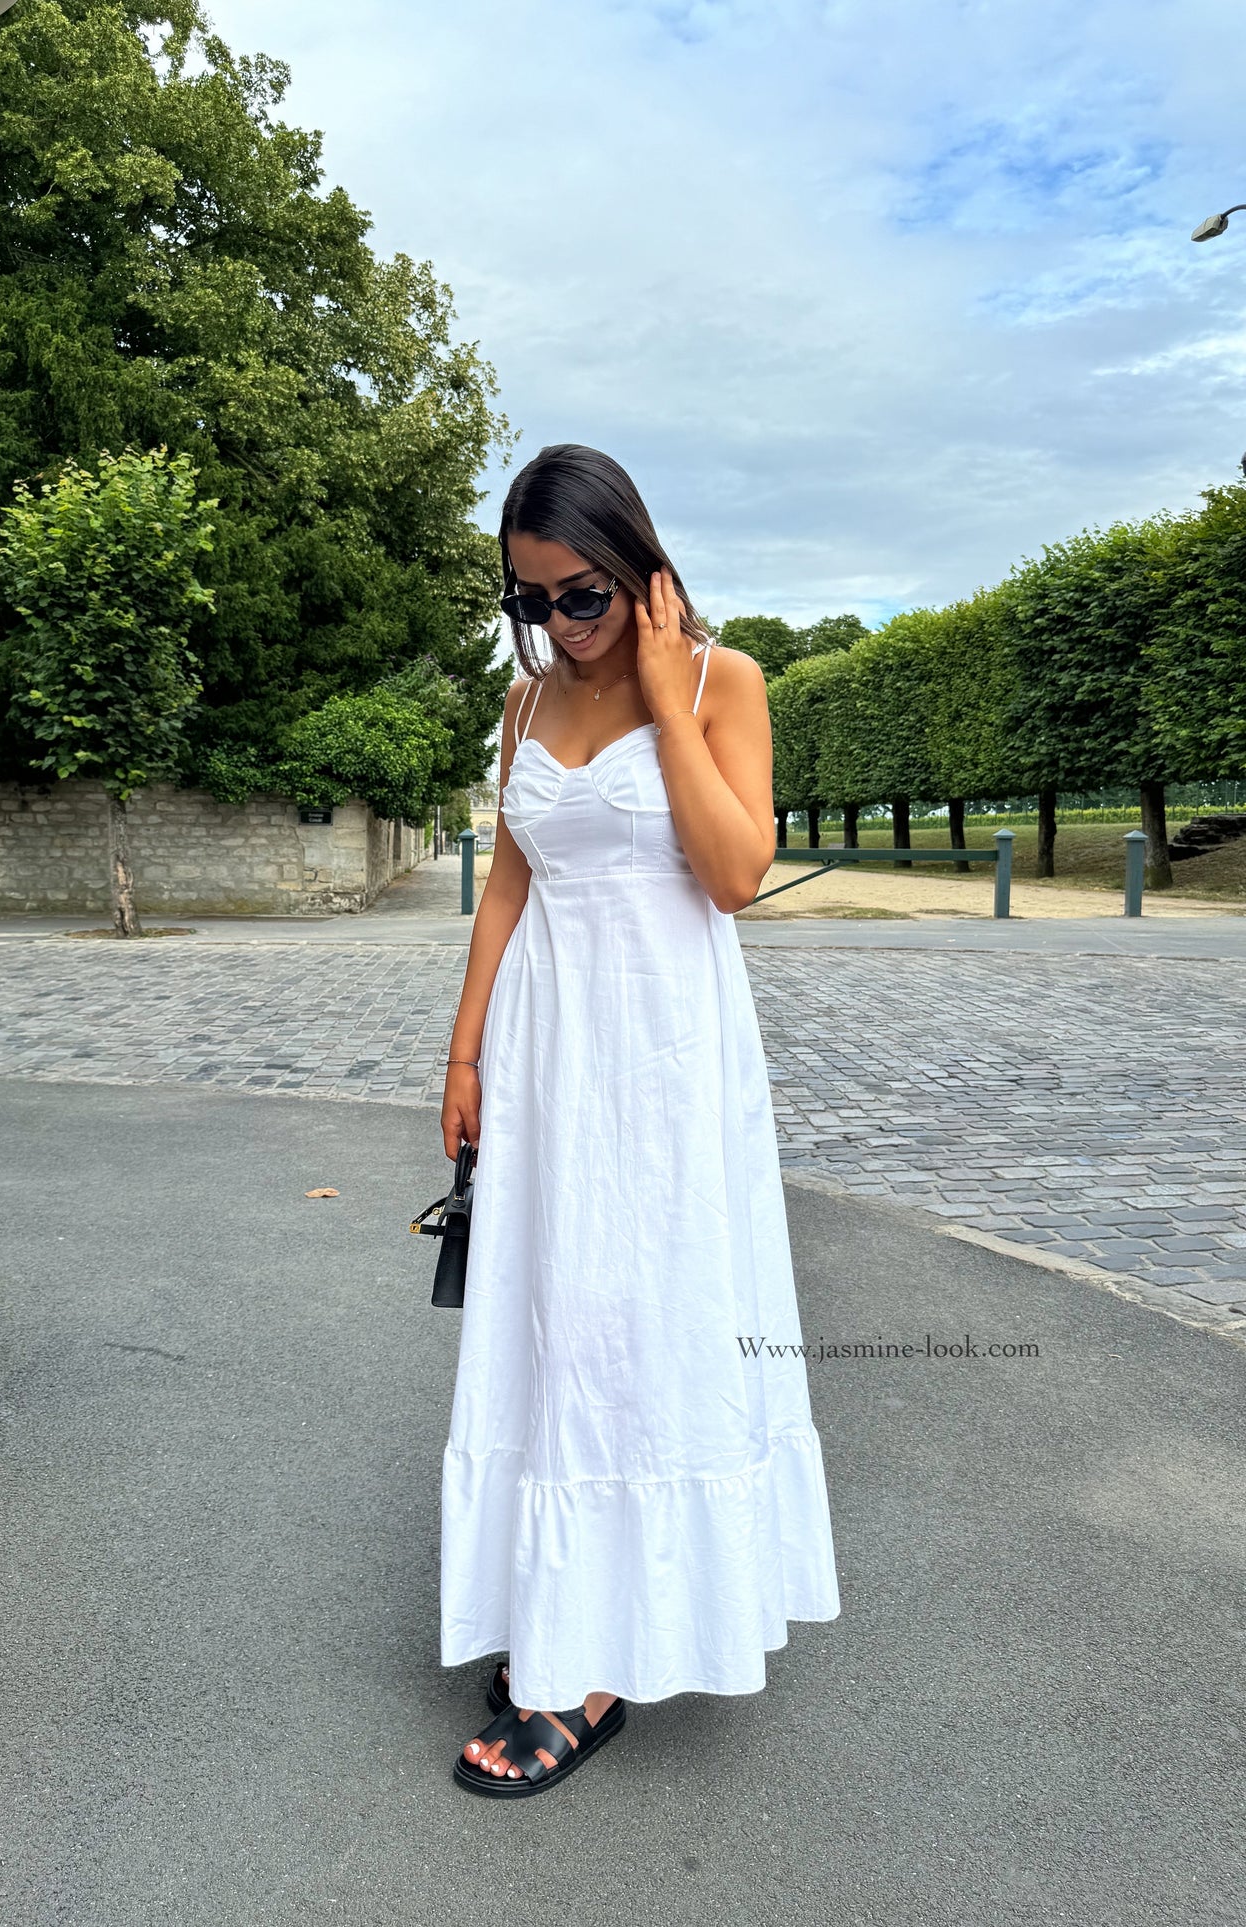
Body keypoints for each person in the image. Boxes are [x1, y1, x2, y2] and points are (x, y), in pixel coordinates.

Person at [440, 443, 841, 1798]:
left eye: (579, 596)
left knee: (637, 1318)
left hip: (665, 1059)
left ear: (637, 569)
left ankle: (599, 1660)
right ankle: (552, 1601)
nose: (556, 625)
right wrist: (464, 1047)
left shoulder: (726, 682)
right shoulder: (519, 707)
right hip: (547, 1051)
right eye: (529, 600)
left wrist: (668, 701)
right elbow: (509, 879)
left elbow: (734, 876)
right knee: (553, 1315)